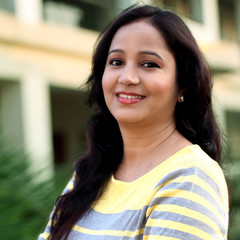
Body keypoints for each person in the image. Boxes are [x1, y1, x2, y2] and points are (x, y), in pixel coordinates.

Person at [39, 4, 229, 240]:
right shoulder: (89, 173)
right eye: (116, 62)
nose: (127, 78)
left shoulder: (190, 176)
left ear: (183, 84)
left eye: (149, 64)